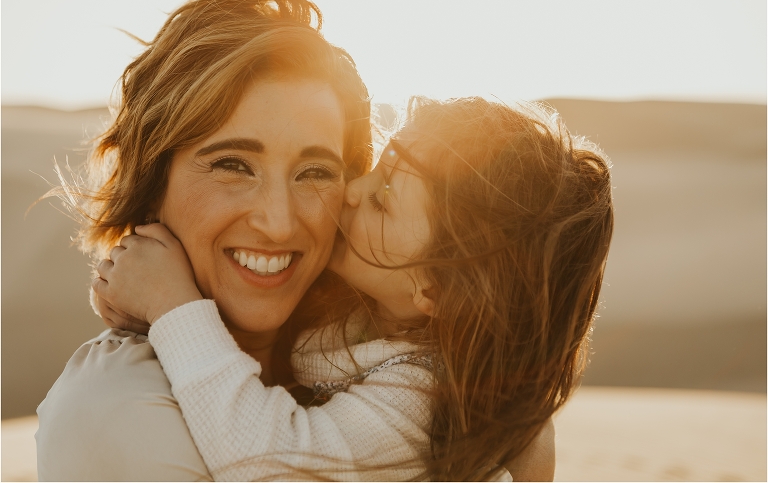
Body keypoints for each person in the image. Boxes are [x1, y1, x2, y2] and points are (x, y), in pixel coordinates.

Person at [36, 0, 556, 481]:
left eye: (316, 172)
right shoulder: (120, 412)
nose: (279, 223)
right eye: (233, 165)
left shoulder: (377, 348)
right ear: (152, 182)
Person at [93, 97, 613, 480]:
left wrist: (173, 308)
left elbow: (270, 463)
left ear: (434, 288)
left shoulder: (426, 400)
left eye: (384, 197)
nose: (353, 188)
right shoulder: (366, 305)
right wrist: (142, 280)